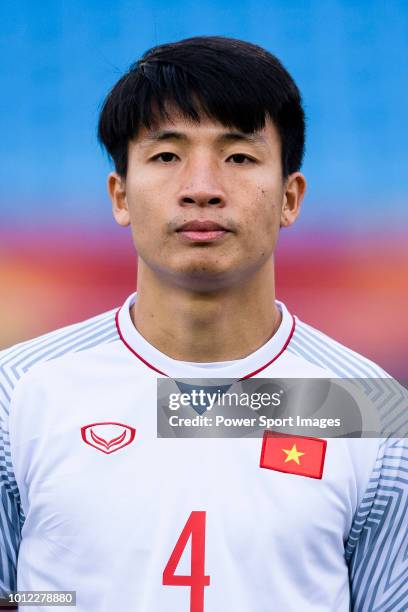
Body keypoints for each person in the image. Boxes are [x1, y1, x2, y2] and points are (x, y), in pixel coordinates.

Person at [0, 36, 407, 612]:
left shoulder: (372, 406)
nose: (202, 189)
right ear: (120, 195)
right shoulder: (17, 391)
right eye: (167, 156)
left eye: (239, 157)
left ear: (291, 198)